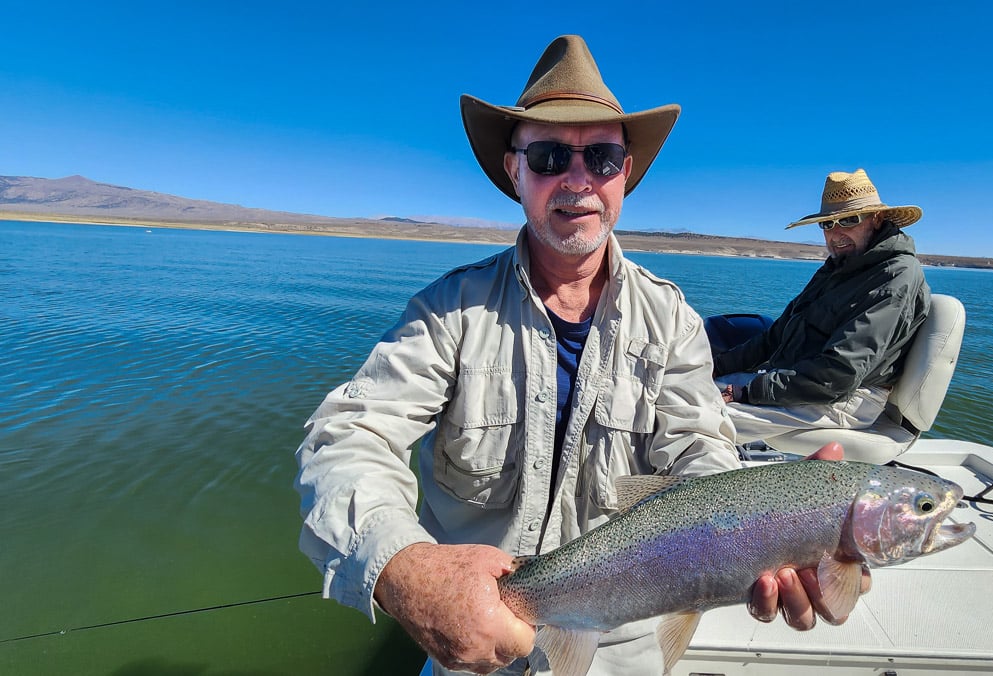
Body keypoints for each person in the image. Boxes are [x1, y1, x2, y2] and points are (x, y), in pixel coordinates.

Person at [294, 35, 861, 676]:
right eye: (549, 155)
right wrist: (402, 564)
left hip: (626, 640)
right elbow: (347, 436)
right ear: (515, 171)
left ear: (625, 175)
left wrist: (776, 523)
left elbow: (700, 450)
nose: (577, 179)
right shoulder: (447, 311)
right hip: (480, 631)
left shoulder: (671, 318)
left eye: (601, 157)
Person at [713, 168, 930, 448]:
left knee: (696, 417)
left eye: (848, 220)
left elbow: (838, 375)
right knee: (684, 390)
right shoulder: (836, 268)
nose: (835, 233)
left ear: (876, 219)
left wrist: (749, 391)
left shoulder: (893, 275)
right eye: (827, 224)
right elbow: (774, 337)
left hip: (847, 397)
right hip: (798, 381)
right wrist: (713, 367)